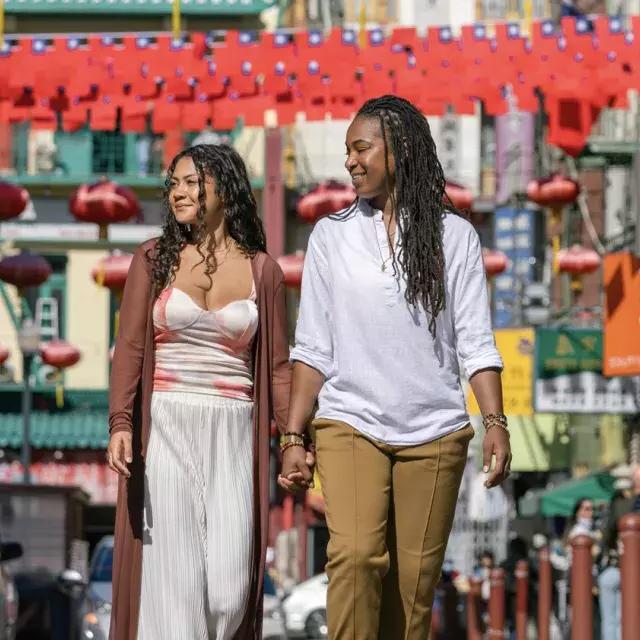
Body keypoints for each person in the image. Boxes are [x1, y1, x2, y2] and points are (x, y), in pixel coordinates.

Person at [278, 95, 511, 639]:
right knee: (356, 556)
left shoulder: (456, 238)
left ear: (400, 149)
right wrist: (293, 433)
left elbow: (476, 342)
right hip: (348, 420)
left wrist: (495, 423)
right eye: (347, 151)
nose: (351, 162)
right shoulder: (331, 236)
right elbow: (312, 346)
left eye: (362, 148)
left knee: (412, 589)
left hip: (434, 430)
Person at [106, 144, 300, 640]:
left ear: (225, 189)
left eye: (192, 182)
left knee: (229, 590)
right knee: (177, 586)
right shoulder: (151, 259)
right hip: (166, 422)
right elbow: (128, 348)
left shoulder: (264, 272)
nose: (179, 192)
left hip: (234, 428)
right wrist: (121, 424)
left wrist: (293, 441)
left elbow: (279, 367)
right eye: (174, 183)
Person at [599, 466, 640, 640]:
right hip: (629, 566)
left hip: (615, 566)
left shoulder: (616, 503)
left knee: (611, 619)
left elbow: (607, 534)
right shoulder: (627, 504)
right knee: (624, 615)